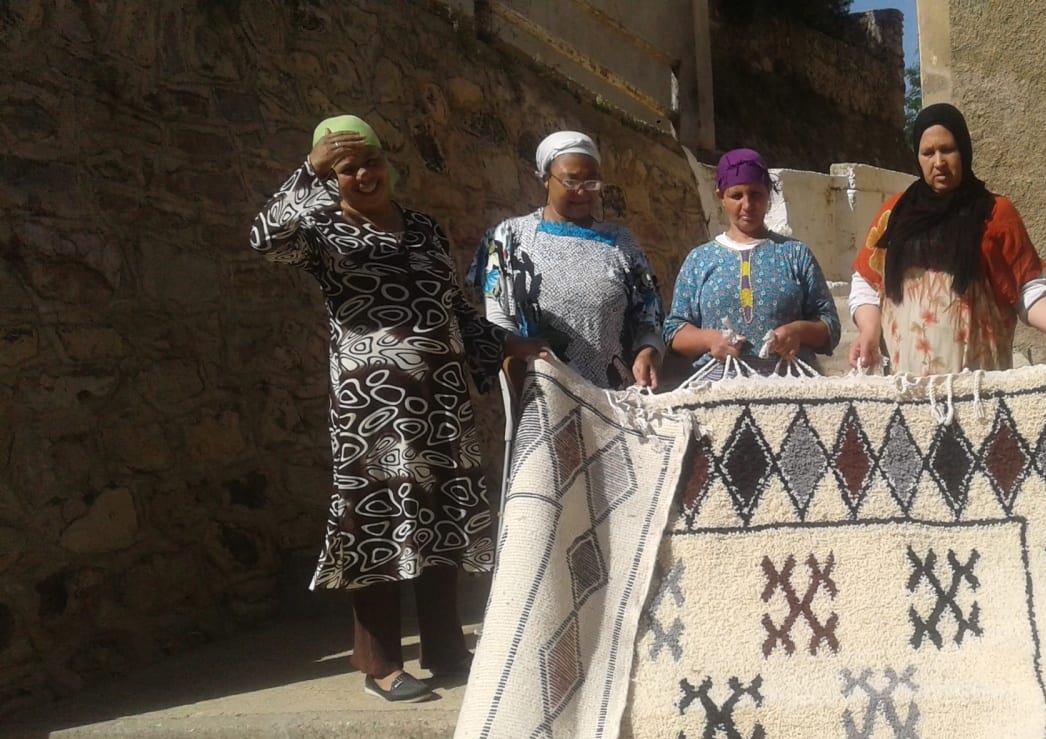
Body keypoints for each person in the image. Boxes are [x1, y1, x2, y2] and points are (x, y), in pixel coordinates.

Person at [250, 115, 502, 703]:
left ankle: (444, 647)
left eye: (372, 162)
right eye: (346, 168)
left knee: (443, 512)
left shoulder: (423, 228)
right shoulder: (319, 227)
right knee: (378, 521)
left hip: (442, 398)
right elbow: (264, 239)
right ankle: (380, 662)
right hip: (372, 405)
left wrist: (503, 349)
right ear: (329, 177)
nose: (364, 175)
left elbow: (453, 307)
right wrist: (306, 175)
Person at [848, 103, 1046, 376]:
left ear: (964, 150)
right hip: (908, 395)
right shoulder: (894, 216)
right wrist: (869, 331)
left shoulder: (994, 215)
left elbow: (1027, 289)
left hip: (979, 395)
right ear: (917, 157)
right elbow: (865, 282)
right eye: (928, 153)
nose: (938, 162)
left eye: (948, 149)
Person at [470, 131, 664, 390]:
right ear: (546, 180)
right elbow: (499, 319)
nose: (582, 192)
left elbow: (649, 312)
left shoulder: (622, 242)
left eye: (592, 183)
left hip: (612, 398)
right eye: (570, 181)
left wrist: (648, 350)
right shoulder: (508, 238)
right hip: (540, 392)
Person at [665, 149, 839, 376]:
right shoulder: (700, 260)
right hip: (716, 389)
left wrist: (798, 331)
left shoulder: (795, 254)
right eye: (736, 195)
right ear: (721, 197)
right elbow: (674, 330)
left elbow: (830, 325)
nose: (747, 205)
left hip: (790, 387)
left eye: (756, 194)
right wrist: (710, 340)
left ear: (768, 195)